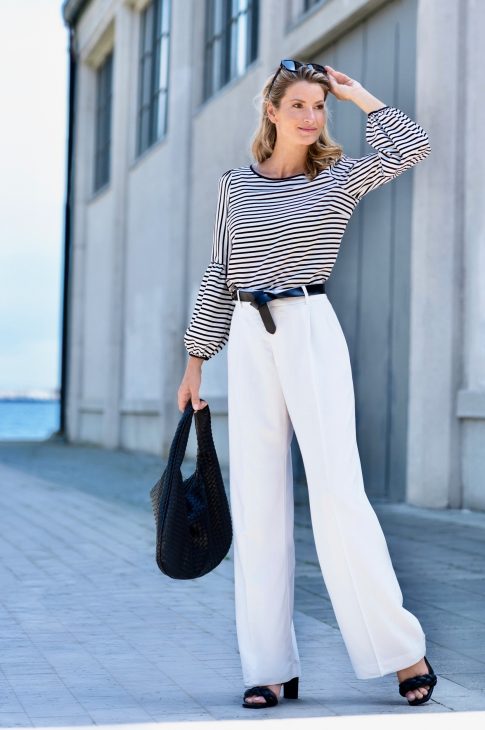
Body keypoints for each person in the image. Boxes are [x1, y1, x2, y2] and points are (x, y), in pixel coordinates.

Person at [177, 60, 438, 709]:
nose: (310, 116)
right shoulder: (235, 185)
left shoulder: (338, 177)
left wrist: (358, 94)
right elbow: (219, 271)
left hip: (309, 326)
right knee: (258, 500)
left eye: (318, 106)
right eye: (297, 104)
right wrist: (195, 360)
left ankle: (402, 653)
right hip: (249, 335)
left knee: (338, 492)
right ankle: (268, 667)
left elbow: (411, 146)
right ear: (271, 111)